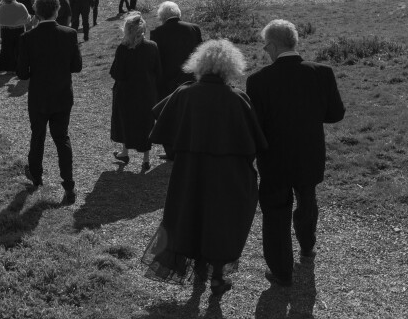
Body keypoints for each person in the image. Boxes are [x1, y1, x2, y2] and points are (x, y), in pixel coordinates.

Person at [144, 39, 266, 297]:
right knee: (221, 221)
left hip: (190, 171)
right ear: (230, 67)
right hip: (227, 174)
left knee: (189, 214)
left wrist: (184, 147)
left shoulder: (184, 94)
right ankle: (217, 277)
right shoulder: (237, 99)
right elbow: (254, 143)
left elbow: (161, 127)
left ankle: (198, 268)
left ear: (198, 64)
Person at [245, 19, 346, 287]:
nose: (265, 50)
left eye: (266, 45)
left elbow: (255, 125)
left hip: (274, 158)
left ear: (275, 46)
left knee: (276, 212)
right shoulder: (322, 72)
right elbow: (336, 114)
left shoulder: (257, 81)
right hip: (308, 152)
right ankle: (307, 247)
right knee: (307, 199)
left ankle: (282, 270)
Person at [16, 0, 83, 205]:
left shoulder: (27, 38)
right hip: (62, 94)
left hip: (38, 96)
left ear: (36, 11)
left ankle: (36, 176)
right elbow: (77, 66)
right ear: (57, 10)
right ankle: (69, 186)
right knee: (62, 138)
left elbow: (22, 73)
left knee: (38, 136)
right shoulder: (70, 34)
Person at [149, 1, 203, 160]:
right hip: (191, 78)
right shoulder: (194, 28)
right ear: (178, 13)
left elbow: (157, 60)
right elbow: (200, 53)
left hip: (167, 81)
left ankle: (172, 151)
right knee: (190, 114)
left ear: (162, 16)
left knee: (167, 115)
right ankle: (190, 147)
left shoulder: (157, 33)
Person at [110, 12, 162, 171]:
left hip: (126, 92)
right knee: (145, 123)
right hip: (146, 91)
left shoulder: (123, 48)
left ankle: (125, 152)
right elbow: (158, 70)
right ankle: (146, 159)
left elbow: (116, 73)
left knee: (126, 121)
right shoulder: (152, 46)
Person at [0, 0, 30, 72]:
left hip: (6, 31)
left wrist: (5, 23)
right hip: (19, 30)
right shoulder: (21, 6)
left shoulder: (3, 7)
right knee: (18, 49)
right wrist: (19, 22)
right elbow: (28, 19)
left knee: (7, 49)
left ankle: (9, 68)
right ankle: (18, 67)